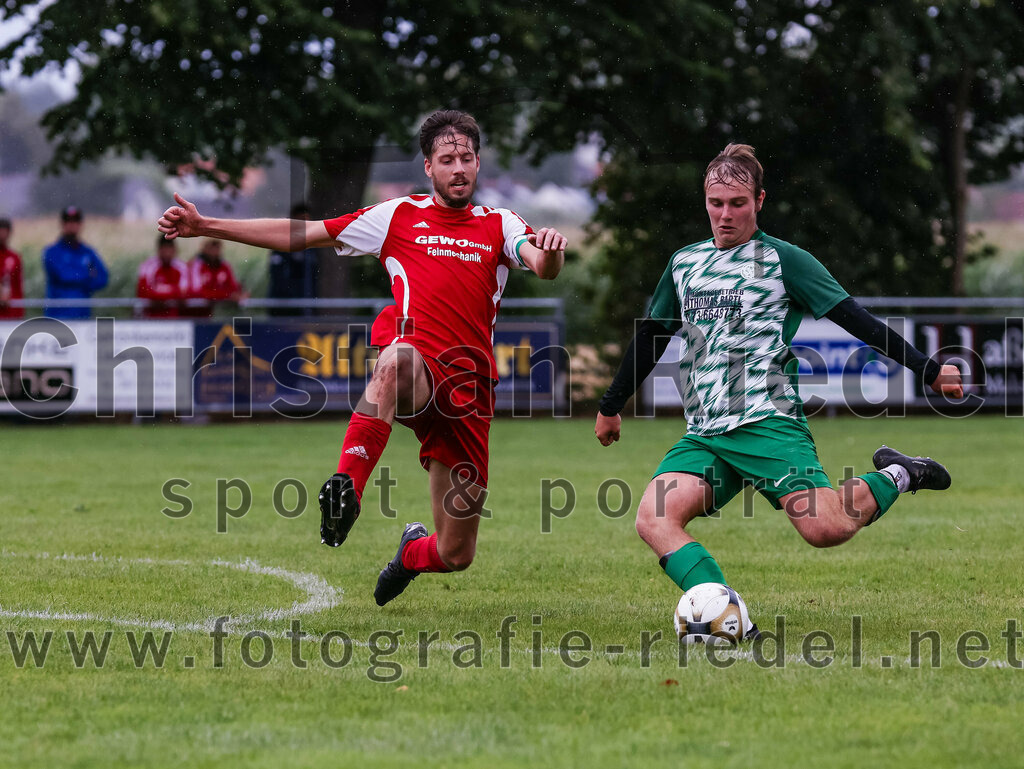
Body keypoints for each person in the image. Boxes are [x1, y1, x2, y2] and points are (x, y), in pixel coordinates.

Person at [158, 109, 567, 606]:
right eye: (446, 159)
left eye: (465, 158)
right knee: (395, 360)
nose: (457, 168)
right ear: (428, 168)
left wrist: (551, 252)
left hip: (469, 395)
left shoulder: (498, 223)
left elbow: (539, 263)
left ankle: (410, 552)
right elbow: (300, 233)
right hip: (421, 369)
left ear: (478, 164)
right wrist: (207, 226)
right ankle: (346, 486)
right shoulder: (397, 216)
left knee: (456, 553)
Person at [594, 144, 963, 637]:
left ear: (759, 201)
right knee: (654, 519)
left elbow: (856, 320)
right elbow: (652, 335)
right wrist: (610, 405)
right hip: (706, 433)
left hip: (769, 421)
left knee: (825, 530)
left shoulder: (783, 260)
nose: (725, 215)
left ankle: (900, 474)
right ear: (705, 200)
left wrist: (927, 368)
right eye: (716, 202)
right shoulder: (684, 264)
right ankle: (733, 622)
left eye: (738, 203)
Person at [43, 206, 108, 320]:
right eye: (68, 221)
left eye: (76, 221)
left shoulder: (88, 252)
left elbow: (102, 278)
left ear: (81, 224)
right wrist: (88, 275)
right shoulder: (51, 252)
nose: (72, 225)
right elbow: (64, 275)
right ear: (62, 224)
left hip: (82, 316)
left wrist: (81, 277)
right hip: (57, 317)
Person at [267, 202, 318, 316]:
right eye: (302, 220)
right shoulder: (281, 243)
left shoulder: (312, 246)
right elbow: (277, 276)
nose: (305, 224)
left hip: (306, 307)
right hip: (282, 307)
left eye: (307, 220)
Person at [185, 238, 246, 316]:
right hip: (191, 313)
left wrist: (240, 293)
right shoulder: (195, 265)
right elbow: (196, 292)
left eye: (217, 247)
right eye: (211, 247)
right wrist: (227, 295)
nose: (214, 251)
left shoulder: (224, 266)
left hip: (212, 313)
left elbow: (233, 288)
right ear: (204, 248)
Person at [136, 235, 189, 318]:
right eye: (165, 249)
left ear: (174, 250)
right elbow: (143, 292)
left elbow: (185, 294)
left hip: (174, 318)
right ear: (159, 250)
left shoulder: (181, 267)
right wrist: (173, 290)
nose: (167, 253)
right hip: (150, 318)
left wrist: (160, 291)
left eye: (170, 249)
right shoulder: (148, 266)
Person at [0, 217, 24, 319]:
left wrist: (19, 312)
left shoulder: (14, 257)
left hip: (11, 315)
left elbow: (18, 286)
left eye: (4, 232)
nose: (2, 235)